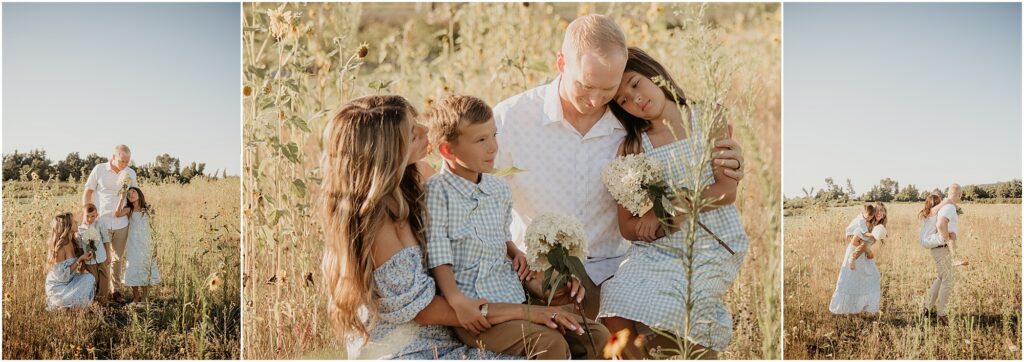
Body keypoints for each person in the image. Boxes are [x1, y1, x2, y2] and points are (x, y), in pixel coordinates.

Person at [492, 14, 746, 320]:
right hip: (540, 277)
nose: (596, 100)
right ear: (561, 64)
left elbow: (686, 151)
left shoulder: (633, 129)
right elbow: (470, 191)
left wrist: (729, 164)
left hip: (617, 270)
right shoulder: (510, 120)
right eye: (586, 87)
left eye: (608, 89)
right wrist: (511, 254)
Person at [319, 95, 588, 359]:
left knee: (580, 337)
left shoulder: (420, 175)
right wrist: (529, 313)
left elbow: (470, 240)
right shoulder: (375, 223)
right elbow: (424, 310)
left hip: (459, 325)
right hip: (413, 347)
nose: (426, 130)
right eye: (413, 133)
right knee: (545, 348)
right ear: (388, 154)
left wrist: (543, 281)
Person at [424, 95, 608, 359]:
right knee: (549, 343)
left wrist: (514, 252)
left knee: (594, 335)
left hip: (512, 297)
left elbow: (500, 235)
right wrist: (455, 299)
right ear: (447, 151)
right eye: (481, 140)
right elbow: (437, 248)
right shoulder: (437, 192)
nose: (493, 148)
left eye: (494, 135)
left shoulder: (498, 189)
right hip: (476, 312)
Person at [598, 47, 750, 359]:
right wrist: (646, 227)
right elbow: (627, 226)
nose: (634, 100)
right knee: (614, 297)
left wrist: (670, 211)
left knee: (675, 308)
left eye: (635, 85)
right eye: (623, 100)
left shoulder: (708, 116)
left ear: (655, 73)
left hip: (711, 240)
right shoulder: (635, 145)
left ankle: (698, 352)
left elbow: (725, 191)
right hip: (660, 248)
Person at [83, 144, 138, 301]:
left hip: (122, 223)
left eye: (127, 162)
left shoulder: (130, 173)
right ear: (113, 157)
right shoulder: (99, 169)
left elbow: (135, 196)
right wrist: (85, 215)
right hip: (101, 222)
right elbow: (88, 191)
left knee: (117, 258)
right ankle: (100, 292)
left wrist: (127, 211)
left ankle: (116, 292)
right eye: (122, 161)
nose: (124, 165)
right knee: (100, 258)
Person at [829, 203, 887, 315]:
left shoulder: (877, 224)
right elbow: (855, 240)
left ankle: (865, 307)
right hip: (855, 252)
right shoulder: (865, 223)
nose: (879, 213)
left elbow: (868, 241)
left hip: (863, 254)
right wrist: (866, 252)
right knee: (850, 280)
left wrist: (868, 250)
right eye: (877, 210)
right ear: (873, 212)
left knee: (871, 277)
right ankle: (844, 308)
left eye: (882, 210)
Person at [114, 186, 160, 306]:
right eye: (129, 194)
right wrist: (121, 198)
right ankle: (136, 298)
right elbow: (117, 214)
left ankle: (144, 299)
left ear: (139, 193)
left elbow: (153, 228)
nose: (132, 194)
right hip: (134, 243)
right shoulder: (129, 209)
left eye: (133, 192)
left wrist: (155, 245)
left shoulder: (148, 209)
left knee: (146, 268)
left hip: (147, 243)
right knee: (133, 267)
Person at [45, 212, 96, 311]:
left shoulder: (73, 241)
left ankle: (73, 306)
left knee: (89, 278)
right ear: (67, 227)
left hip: (69, 280)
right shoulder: (60, 248)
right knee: (85, 283)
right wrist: (80, 259)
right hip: (59, 286)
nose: (77, 222)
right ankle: (66, 305)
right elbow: (62, 277)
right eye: (73, 221)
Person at [77, 203, 111, 305]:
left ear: (96, 215)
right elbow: (80, 247)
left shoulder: (99, 225)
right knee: (94, 280)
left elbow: (106, 240)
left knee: (104, 279)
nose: (90, 219)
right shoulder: (80, 229)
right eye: (87, 216)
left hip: (101, 257)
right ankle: (93, 301)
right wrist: (83, 262)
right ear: (83, 215)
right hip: (89, 260)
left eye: (92, 216)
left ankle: (102, 302)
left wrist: (108, 255)